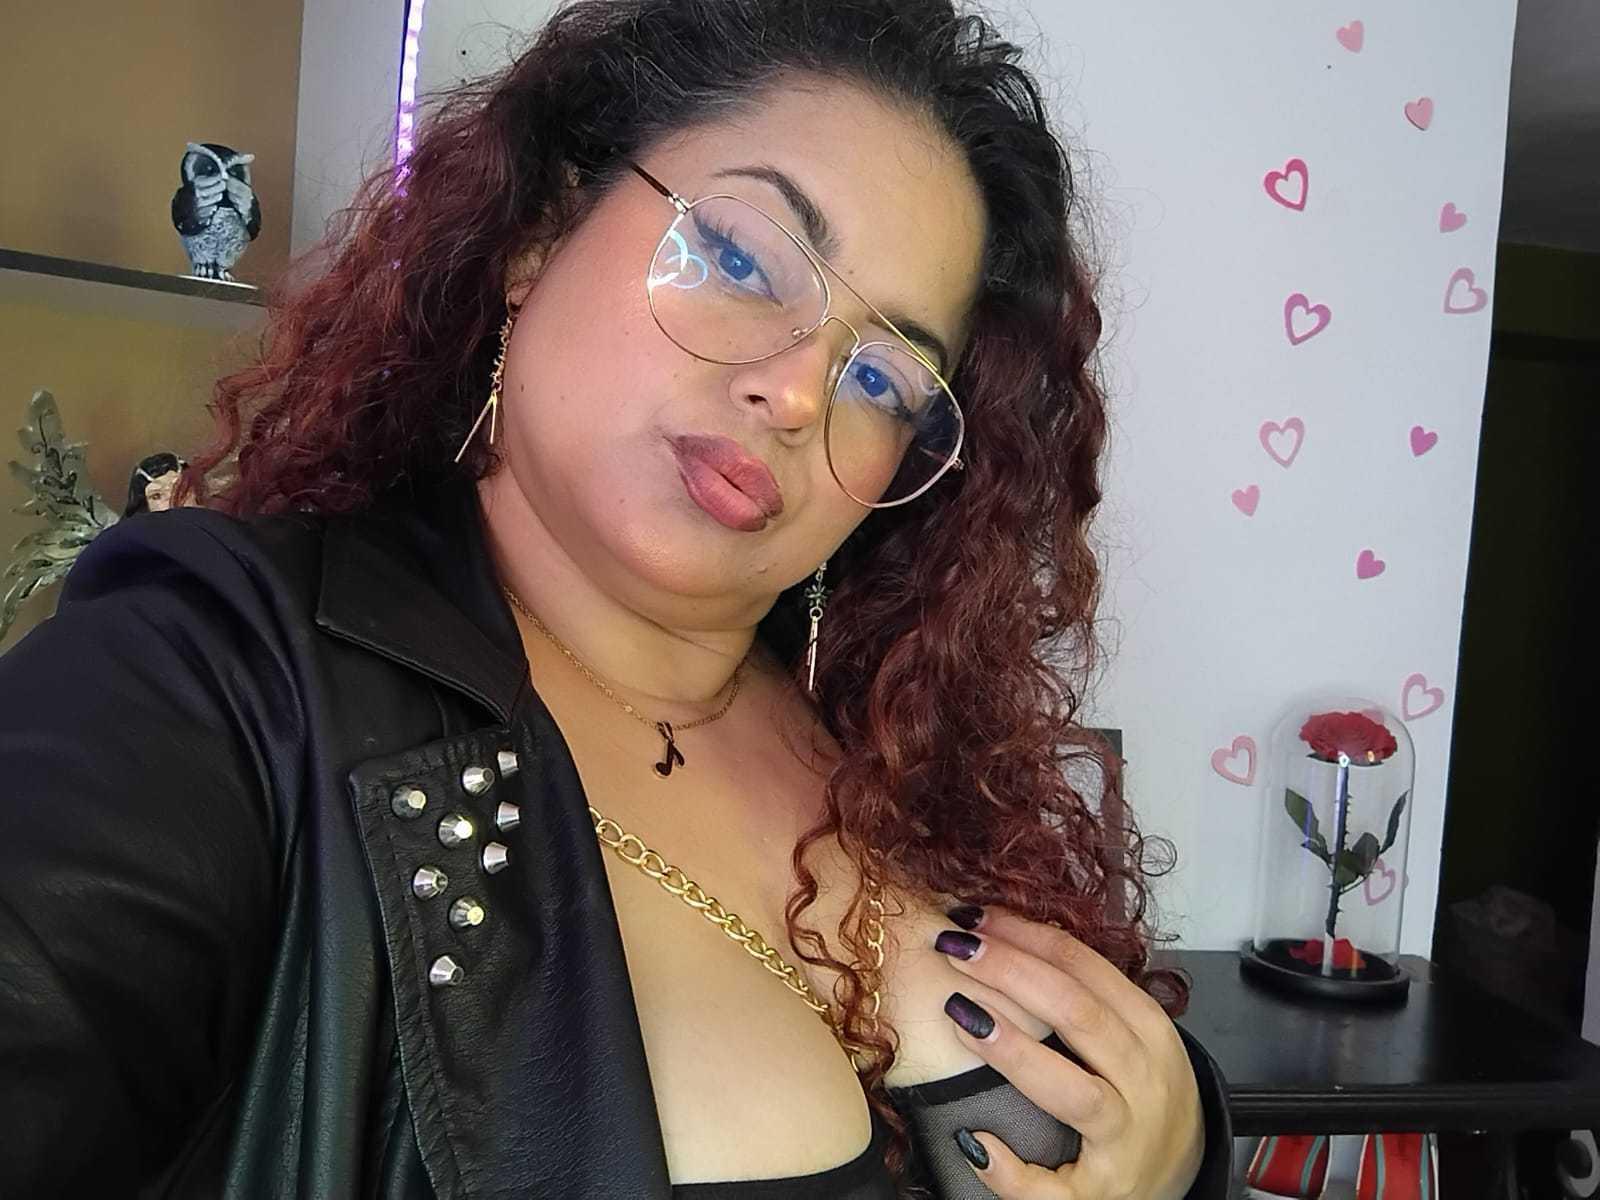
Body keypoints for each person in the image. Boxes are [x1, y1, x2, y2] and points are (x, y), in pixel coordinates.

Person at [0, 1, 1234, 1195]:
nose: (797, 394)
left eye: (883, 378)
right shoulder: (216, 675)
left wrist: (1180, 1152)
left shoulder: (896, 738)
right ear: (539, 237)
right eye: (741, 258)